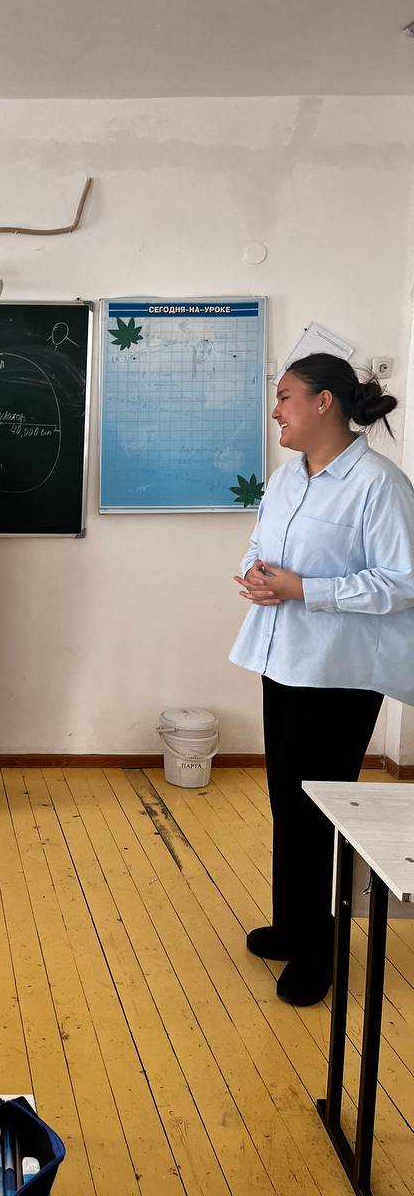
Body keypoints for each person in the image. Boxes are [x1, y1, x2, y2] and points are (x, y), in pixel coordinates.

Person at [229, 353, 414, 1006]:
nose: (276, 410)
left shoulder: (379, 484)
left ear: (324, 402)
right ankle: (293, 924)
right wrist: (257, 574)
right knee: (287, 802)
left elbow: (402, 582)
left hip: (339, 673)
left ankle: (320, 951)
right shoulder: (288, 478)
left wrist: (304, 589)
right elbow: (262, 544)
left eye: (285, 396)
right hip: (283, 659)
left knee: (321, 813)